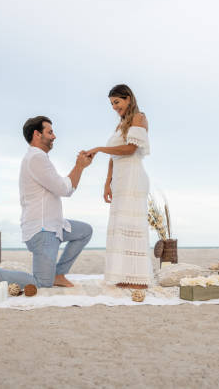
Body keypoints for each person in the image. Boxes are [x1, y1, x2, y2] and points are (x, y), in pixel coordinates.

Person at [0, 116, 93, 290]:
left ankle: (58, 273)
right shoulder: (36, 158)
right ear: (37, 134)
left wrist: (79, 167)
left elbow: (66, 188)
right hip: (43, 231)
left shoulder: (39, 158)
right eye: (50, 132)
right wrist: (79, 166)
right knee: (42, 283)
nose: (54, 136)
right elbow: (64, 189)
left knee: (85, 231)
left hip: (55, 226)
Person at [85, 84, 152, 289]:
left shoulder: (138, 118)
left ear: (128, 99)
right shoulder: (120, 124)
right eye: (112, 104)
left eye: (117, 102)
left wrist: (98, 148)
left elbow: (130, 149)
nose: (114, 107)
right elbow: (114, 157)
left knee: (132, 225)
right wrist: (107, 183)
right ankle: (124, 275)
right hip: (120, 180)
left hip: (133, 176)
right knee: (120, 227)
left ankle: (139, 279)